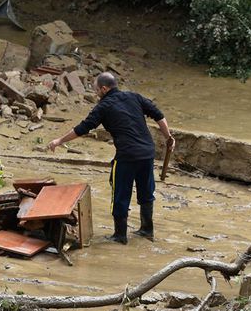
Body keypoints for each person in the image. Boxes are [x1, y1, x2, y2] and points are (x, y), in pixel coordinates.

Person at [47, 72, 175, 244]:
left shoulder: (103, 106)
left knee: (120, 193)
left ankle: (120, 236)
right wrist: (168, 137)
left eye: (96, 90)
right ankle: (147, 230)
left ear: (104, 88)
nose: (95, 93)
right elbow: (158, 115)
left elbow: (83, 128)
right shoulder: (134, 97)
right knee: (146, 191)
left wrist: (59, 140)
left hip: (127, 156)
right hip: (147, 153)